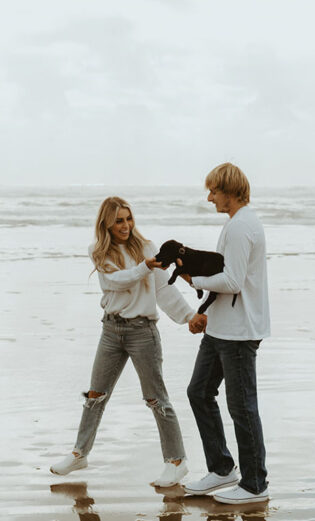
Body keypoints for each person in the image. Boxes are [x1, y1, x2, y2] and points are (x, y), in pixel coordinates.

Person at [50, 196, 197, 487]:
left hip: (143, 332)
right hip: (111, 330)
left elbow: (163, 290)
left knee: (156, 398)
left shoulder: (146, 248)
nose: (125, 225)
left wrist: (189, 316)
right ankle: (80, 453)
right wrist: (145, 267)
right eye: (119, 220)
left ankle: (176, 462)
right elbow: (115, 281)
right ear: (106, 222)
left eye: (128, 218)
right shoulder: (97, 252)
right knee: (95, 396)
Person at [177, 163, 271, 504]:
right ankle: (222, 469)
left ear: (229, 191)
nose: (209, 197)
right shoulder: (235, 223)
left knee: (242, 407)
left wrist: (195, 281)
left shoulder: (242, 226)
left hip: (239, 332)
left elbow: (232, 281)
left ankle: (255, 485)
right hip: (220, 328)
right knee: (199, 392)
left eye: (213, 191)